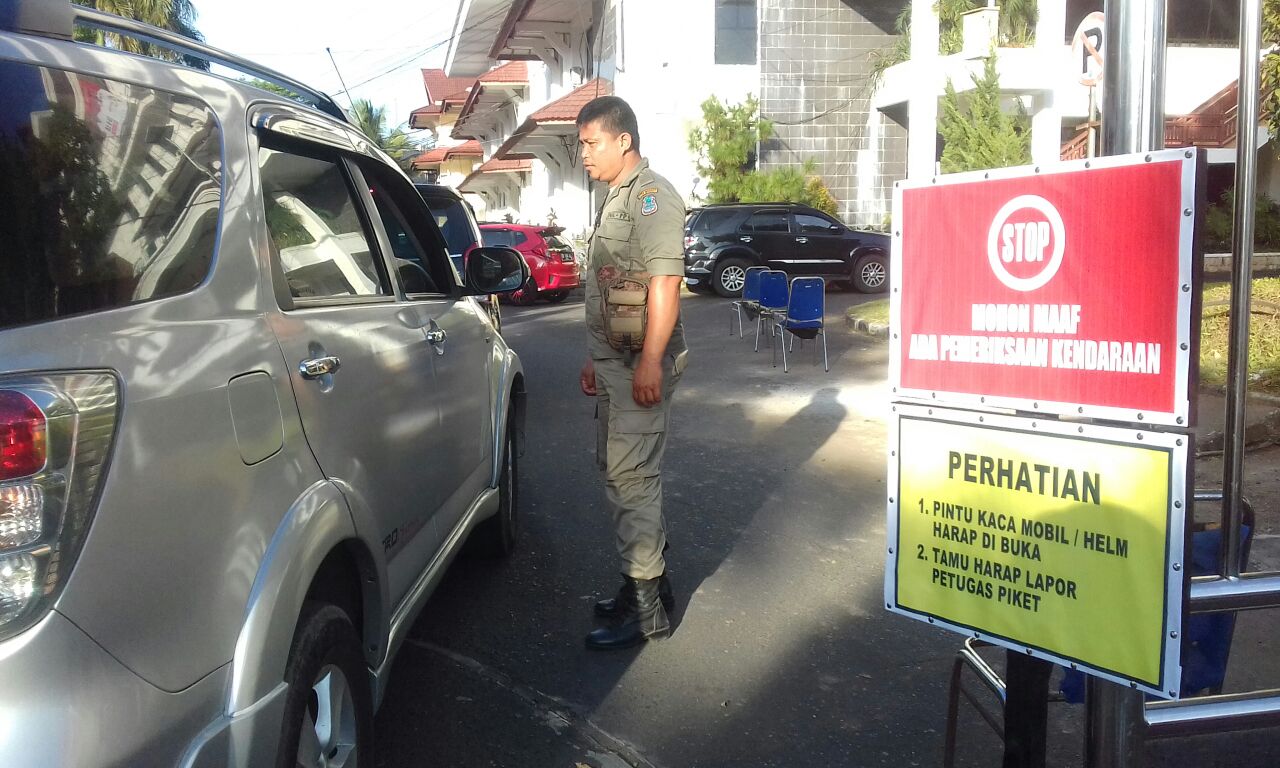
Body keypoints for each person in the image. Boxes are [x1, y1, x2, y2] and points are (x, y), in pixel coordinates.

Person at [577, 95, 688, 651]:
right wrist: (595, 358)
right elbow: (612, 284)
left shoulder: (651, 197)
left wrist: (649, 361)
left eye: (591, 143)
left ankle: (647, 613)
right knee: (621, 473)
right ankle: (648, 584)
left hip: (639, 363)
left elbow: (665, 283)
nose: (583, 154)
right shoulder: (615, 197)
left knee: (632, 478)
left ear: (624, 140)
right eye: (580, 144)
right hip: (615, 361)